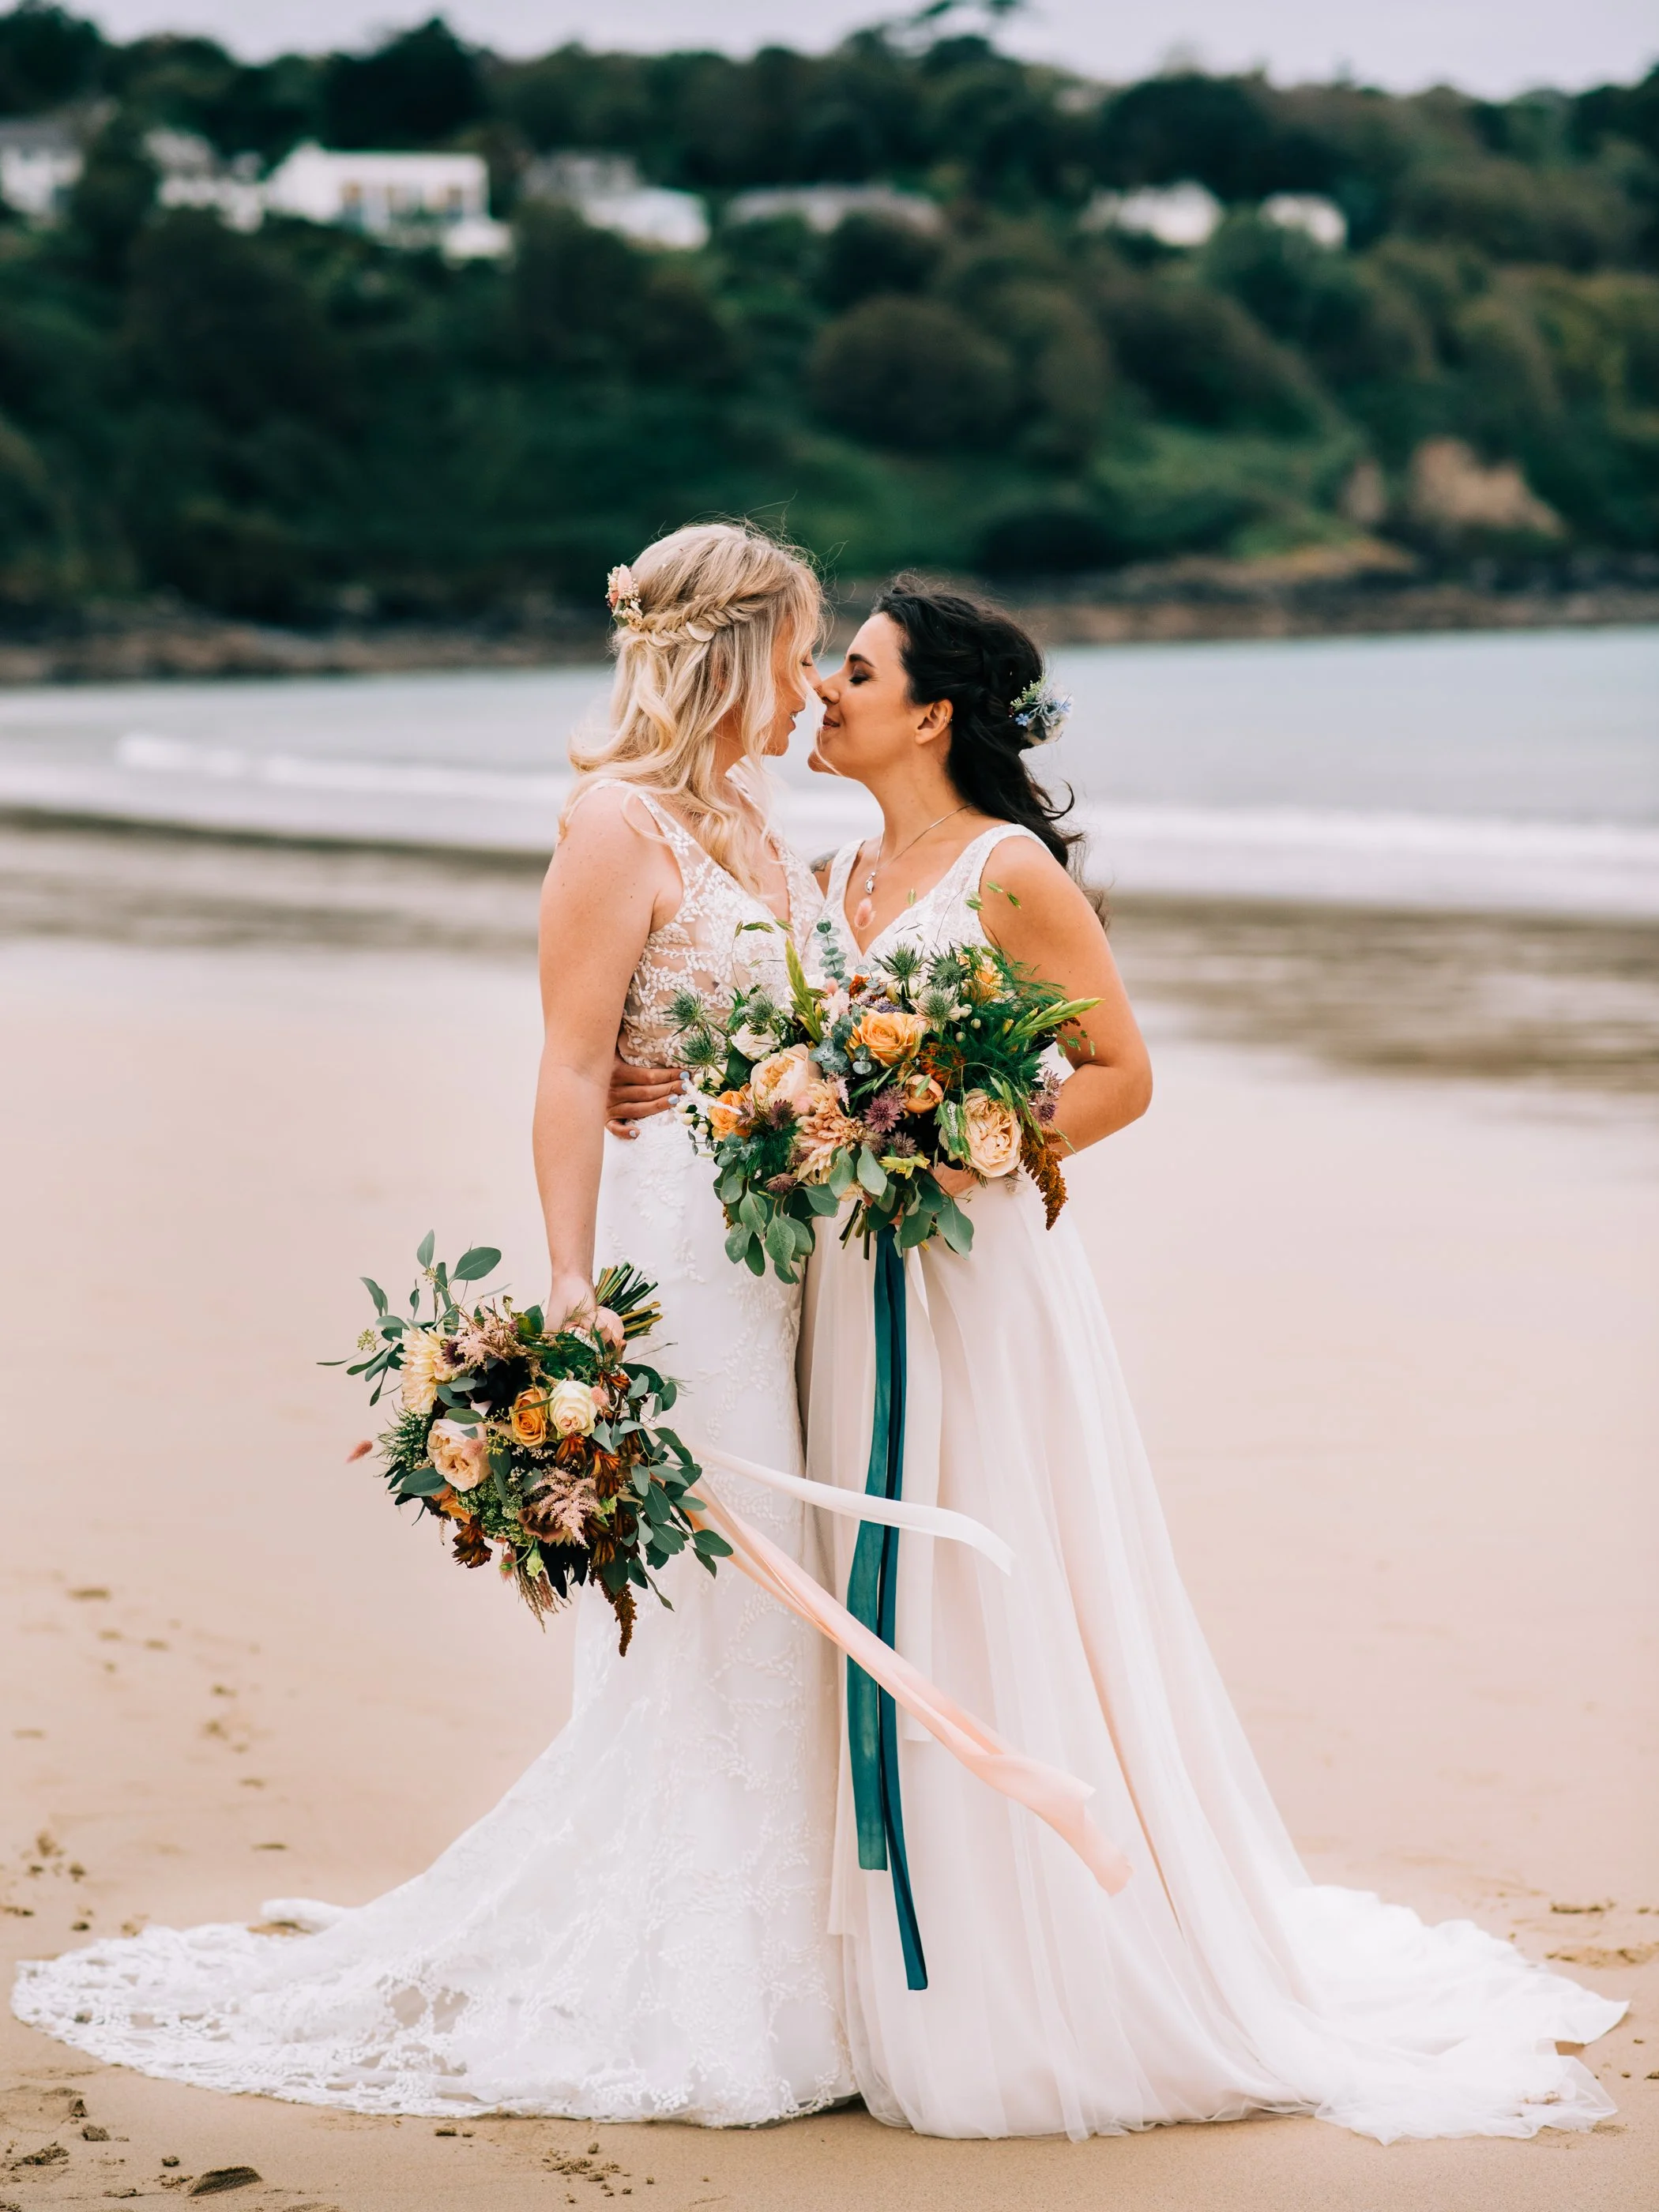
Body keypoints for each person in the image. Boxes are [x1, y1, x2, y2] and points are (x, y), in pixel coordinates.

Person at [608, 576, 1627, 2146]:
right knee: (877, 1583)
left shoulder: (1007, 873)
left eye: (855, 671)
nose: (821, 692)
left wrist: (958, 1141)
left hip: (970, 1280)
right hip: (842, 1282)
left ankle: (1022, 1966)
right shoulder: (830, 874)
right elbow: (773, 1050)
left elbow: (1121, 1072)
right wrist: (689, 1093)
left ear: (931, 713)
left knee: (981, 1573)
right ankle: (878, 1957)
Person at [13, 521, 856, 2126]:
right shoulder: (612, 822)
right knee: (726, 1596)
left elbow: (785, 1026)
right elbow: (570, 1062)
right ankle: (715, 1973)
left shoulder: (754, 816)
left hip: (787, 1250)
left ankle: (804, 1950)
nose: (814, 686)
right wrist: (569, 1282)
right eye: (802, 652)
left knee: (787, 1591)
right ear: (734, 650)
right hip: (684, 1258)